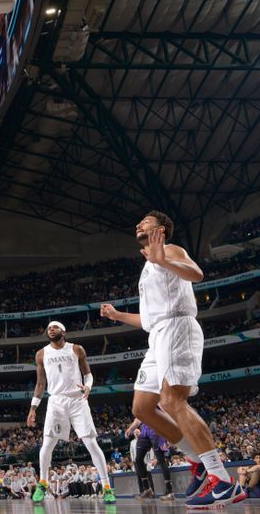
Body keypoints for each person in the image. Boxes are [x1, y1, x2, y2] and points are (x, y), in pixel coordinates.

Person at [100, 211, 247, 507]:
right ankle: (198, 461)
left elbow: (196, 274)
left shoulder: (170, 250)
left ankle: (222, 480)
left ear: (162, 229)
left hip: (178, 328)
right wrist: (117, 316)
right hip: (158, 334)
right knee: (142, 407)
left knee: (172, 401)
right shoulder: (148, 266)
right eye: (138, 222)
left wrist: (163, 259)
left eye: (146, 222)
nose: (138, 224)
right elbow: (149, 319)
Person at [26, 320, 116, 504]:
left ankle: (107, 487)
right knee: (48, 444)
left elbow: (88, 374)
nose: (51, 329)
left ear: (63, 332)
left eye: (55, 327)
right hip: (56, 401)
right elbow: (40, 383)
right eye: (49, 328)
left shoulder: (77, 349)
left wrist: (88, 387)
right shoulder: (41, 354)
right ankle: (43, 482)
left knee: (91, 443)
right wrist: (33, 408)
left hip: (77, 399)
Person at [126, 418, 174, 500]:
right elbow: (138, 418)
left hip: (156, 428)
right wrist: (130, 428)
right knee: (138, 459)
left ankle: (169, 491)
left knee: (161, 460)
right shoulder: (140, 407)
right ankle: (147, 489)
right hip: (145, 430)